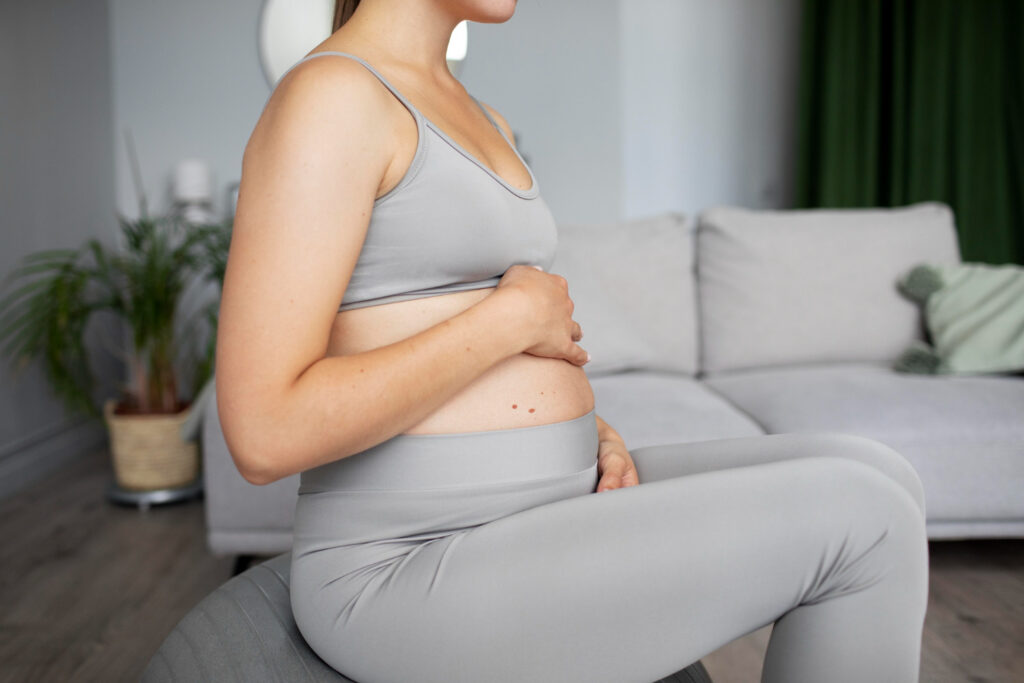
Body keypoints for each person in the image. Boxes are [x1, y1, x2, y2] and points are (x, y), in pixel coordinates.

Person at [215, 1, 930, 681]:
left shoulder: (478, 113)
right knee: (866, 517)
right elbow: (264, 431)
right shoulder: (331, 96)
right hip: (406, 562)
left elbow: (486, 344)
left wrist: (591, 431)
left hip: (531, 508)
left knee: (876, 469)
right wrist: (507, 322)